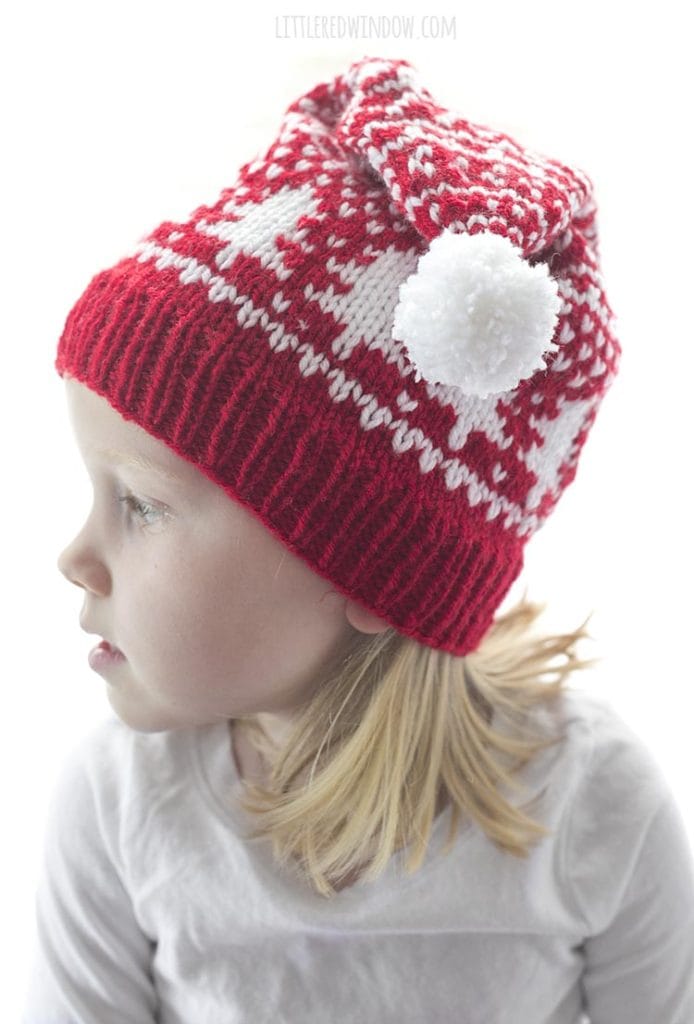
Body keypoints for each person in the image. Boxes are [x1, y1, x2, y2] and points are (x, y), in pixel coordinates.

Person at [22, 55, 694, 1024]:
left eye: (143, 504)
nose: (75, 557)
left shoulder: (590, 805)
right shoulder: (123, 805)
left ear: (373, 570)